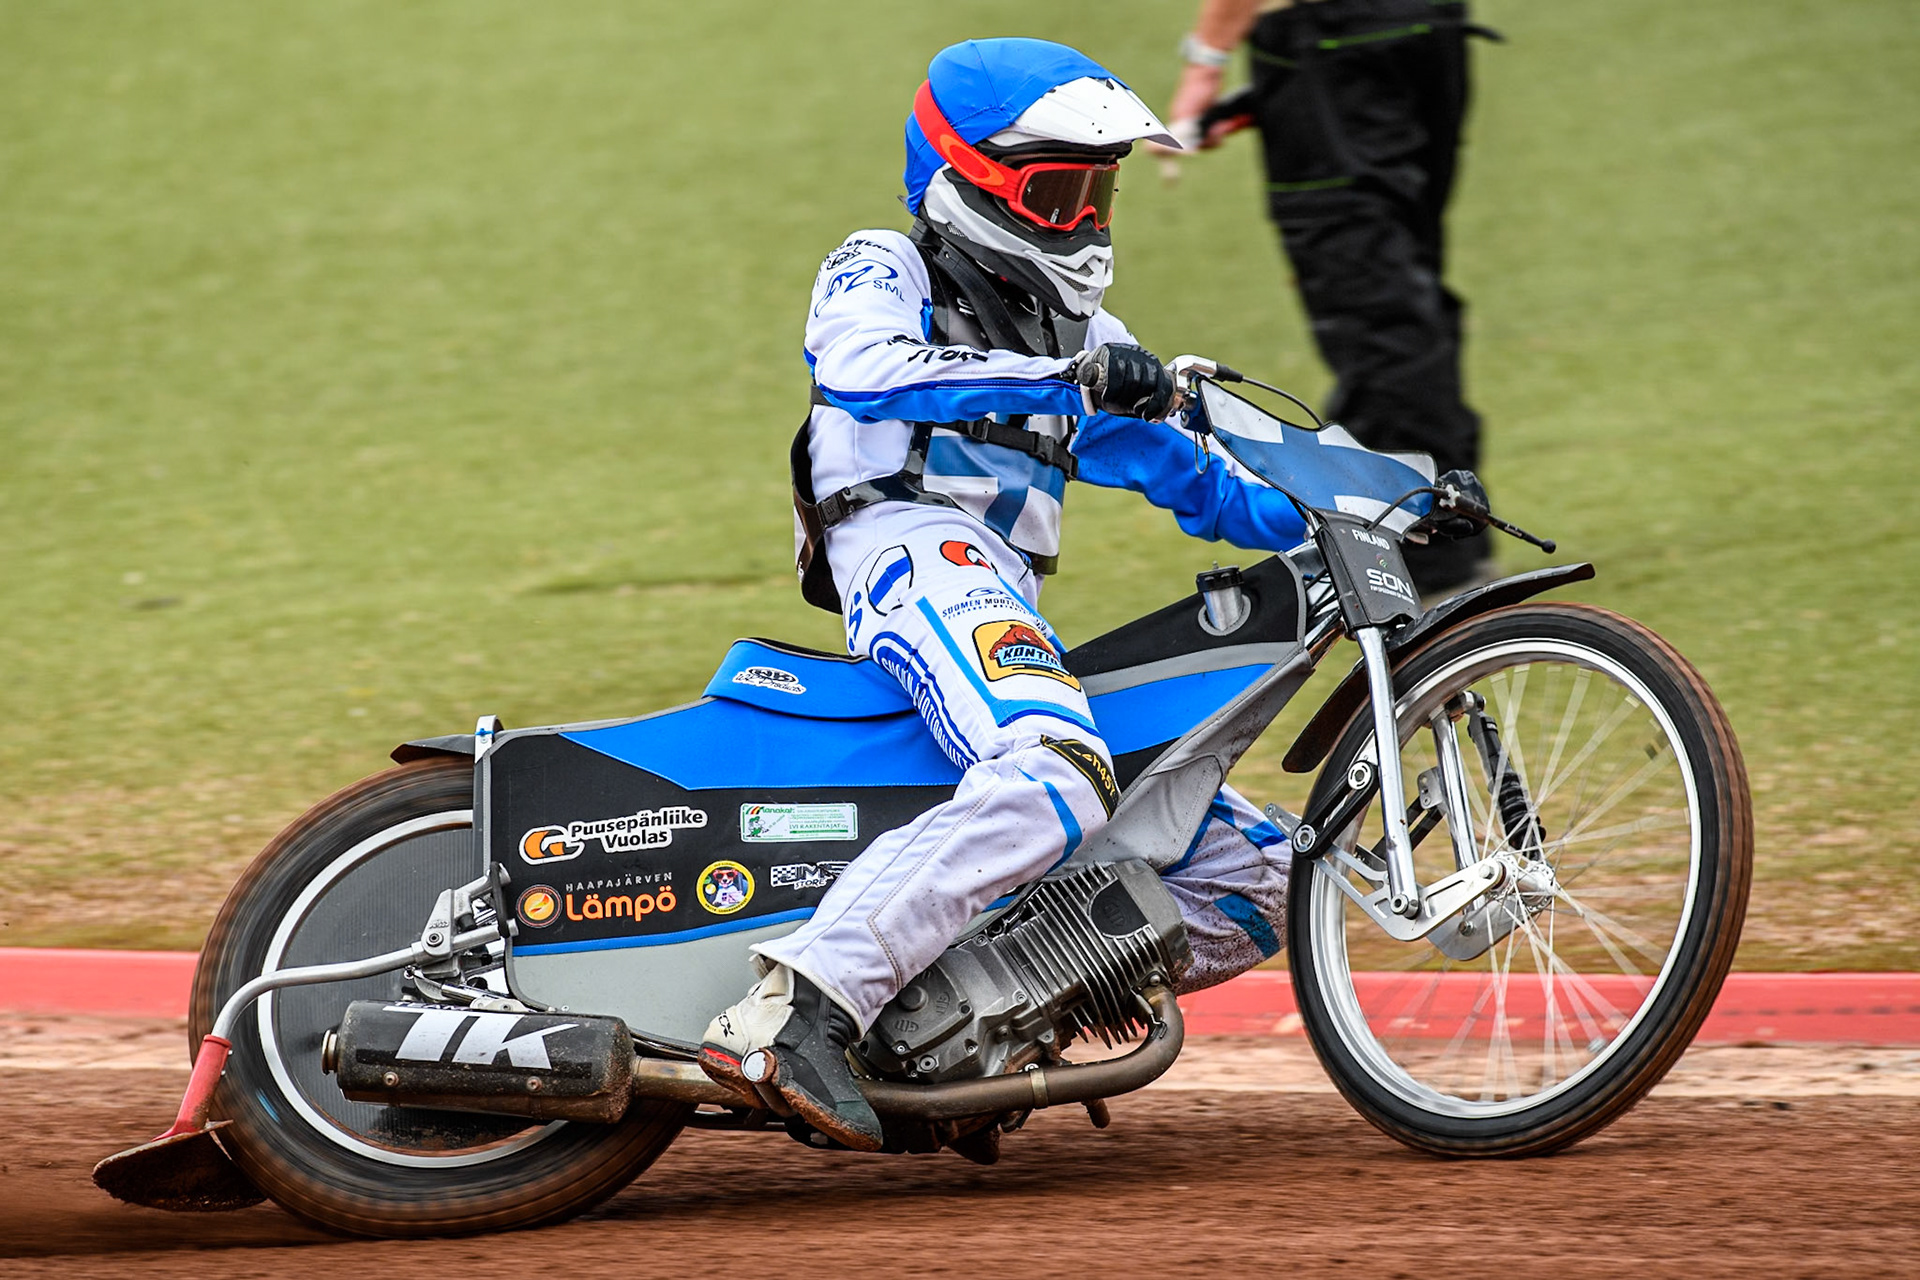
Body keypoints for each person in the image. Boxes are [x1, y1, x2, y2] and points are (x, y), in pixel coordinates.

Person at [697, 37, 1314, 1152]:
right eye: (1056, 191)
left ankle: (963, 1026)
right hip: (905, 551)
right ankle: (794, 1013)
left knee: (1269, 877)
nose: (1084, 221)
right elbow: (864, 369)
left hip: (999, 601)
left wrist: (1377, 493)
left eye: (1099, 192)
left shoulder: (1089, 340)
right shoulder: (884, 261)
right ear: (969, 180)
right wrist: (1064, 378)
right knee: (1052, 768)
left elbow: (1217, 486)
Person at [1156, 0, 1493, 597]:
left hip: (1331, 42)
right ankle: (1443, 521)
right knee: (1405, 279)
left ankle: (1419, 553)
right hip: (1426, 27)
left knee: (1372, 304)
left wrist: (1206, 61)